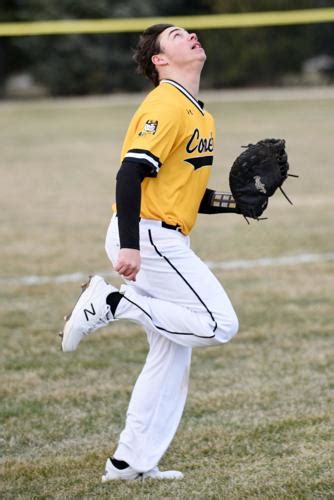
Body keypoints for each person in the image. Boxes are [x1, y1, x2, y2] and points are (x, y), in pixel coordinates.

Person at [61, 24, 240, 482]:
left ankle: (129, 463)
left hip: (163, 233)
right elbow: (129, 175)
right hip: (148, 236)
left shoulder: (199, 112)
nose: (194, 34)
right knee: (218, 324)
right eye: (179, 35)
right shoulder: (165, 103)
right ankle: (116, 301)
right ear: (160, 60)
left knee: (169, 356)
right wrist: (129, 245)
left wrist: (237, 201)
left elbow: (187, 193)